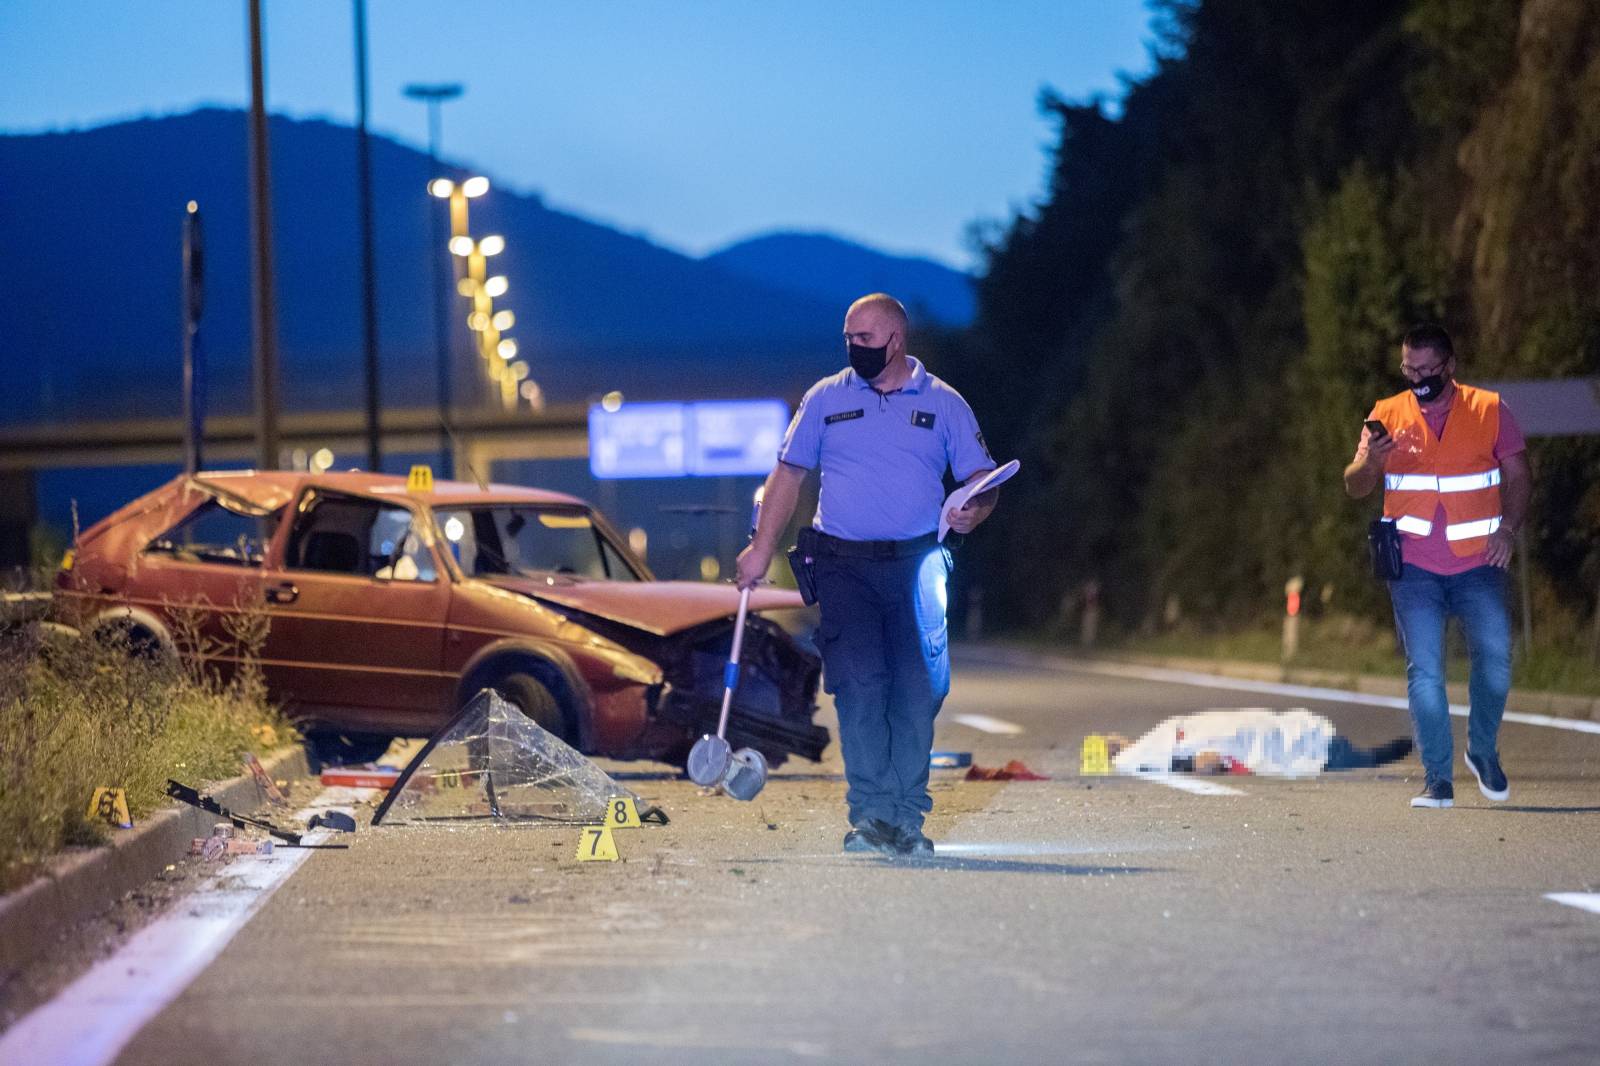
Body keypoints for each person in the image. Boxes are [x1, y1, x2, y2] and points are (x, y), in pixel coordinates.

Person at [735, 293, 1000, 858]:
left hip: (918, 564)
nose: (854, 348)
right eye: (848, 338)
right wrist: (760, 548)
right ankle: (871, 816)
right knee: (859, 687)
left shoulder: (944, 403)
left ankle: (906, 818)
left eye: (865, 339)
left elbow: (983, 477)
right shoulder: (825, 400)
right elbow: (788, 475)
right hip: (843, 565)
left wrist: (976, 507)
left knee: (917, 690)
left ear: (895, 340)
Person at [1343, 323, 1531, 809]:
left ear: (1450, 365)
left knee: (1496, 663)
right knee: (1425, 671)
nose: (1419, 378)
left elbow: (1518, 475)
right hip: (1413, 564)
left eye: (1428, 370)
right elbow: (1355, 484)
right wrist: (1371, 464)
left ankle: (1482, 751)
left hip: (1479, 560)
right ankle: (1437, 780)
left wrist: (1507, 529)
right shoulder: (1386, 414)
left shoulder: (1490, 409)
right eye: (1410, 369)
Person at [1104, 708, 1412, 777]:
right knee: (1362, 759)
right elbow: (1205, 759)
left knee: (1363, 759)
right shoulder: (1160, 744)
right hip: (1285, 734)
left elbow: (1204, 760)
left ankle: (1407, 746)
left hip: (1284, 736)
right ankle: (1406, 746)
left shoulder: (1161, 742)